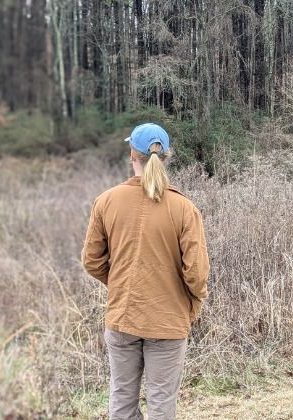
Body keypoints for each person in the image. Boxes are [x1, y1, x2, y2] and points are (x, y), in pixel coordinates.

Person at [82, 123, 210, 420]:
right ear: (166, 157)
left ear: (132, 155)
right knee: (162, 403)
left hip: (122, 316)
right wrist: (192, 304)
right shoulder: (183, 208)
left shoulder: (106, 201)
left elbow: (92, 261)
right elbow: (197, 274)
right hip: (168, 321)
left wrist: (120, 283)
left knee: (122, 400)